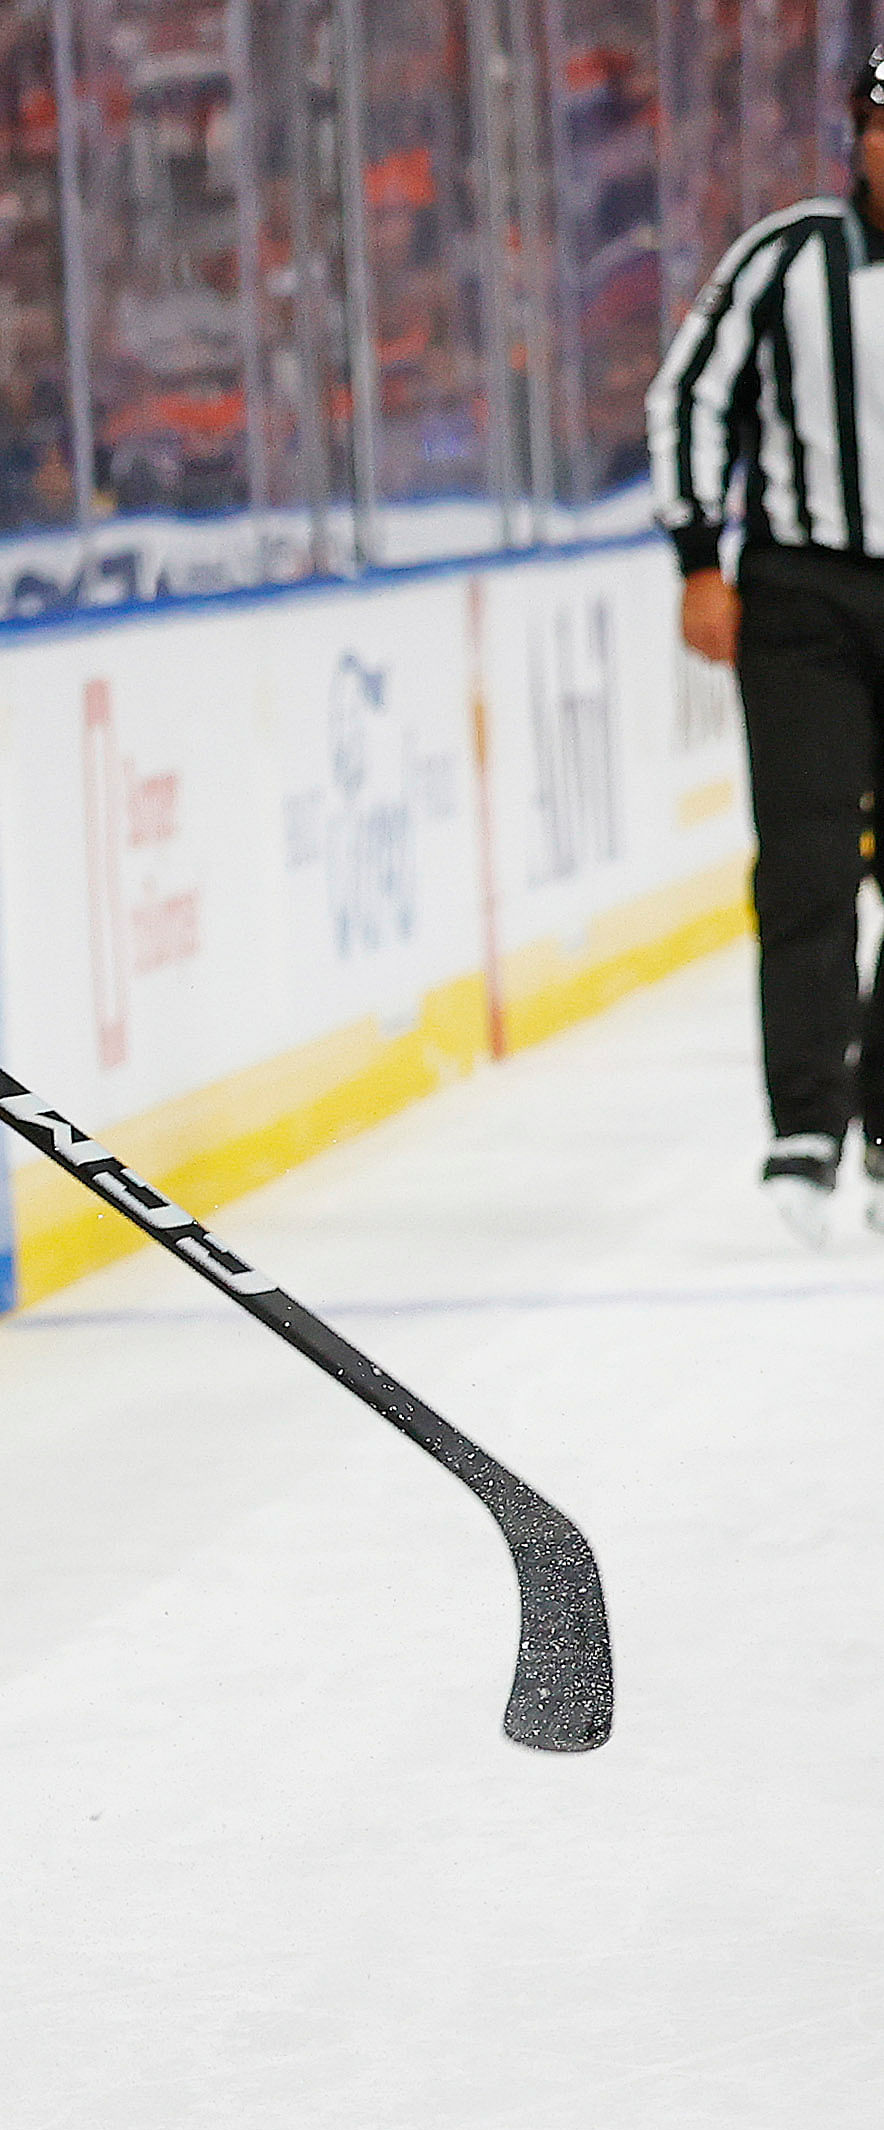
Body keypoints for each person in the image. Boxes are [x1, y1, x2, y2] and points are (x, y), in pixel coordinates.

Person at [653, 45, 884, 1246]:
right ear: (856, 134)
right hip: (800, 595)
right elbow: (688, 396)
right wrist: (698, 555)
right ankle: (806, 1126)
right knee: (803, 861)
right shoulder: (786, 257)